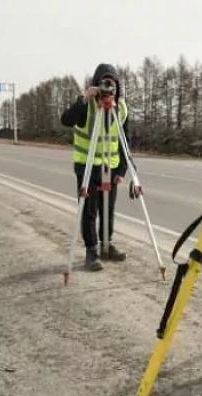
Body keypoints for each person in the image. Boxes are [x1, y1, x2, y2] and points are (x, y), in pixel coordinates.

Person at [60, 63, 129, 271]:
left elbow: (124, 140)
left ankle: (107, 245)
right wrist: (83, 99)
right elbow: (66, 120)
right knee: (89, 211)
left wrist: (122, 170)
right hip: (87, 166)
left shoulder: (121, 108)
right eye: (104, 82)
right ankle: (91, 251)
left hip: (110, 166)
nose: (108, 87)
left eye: (111, 82)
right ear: (96, 84)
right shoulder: (86, 105)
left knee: (108, 209)